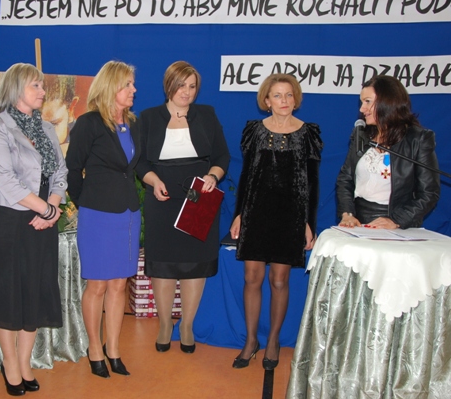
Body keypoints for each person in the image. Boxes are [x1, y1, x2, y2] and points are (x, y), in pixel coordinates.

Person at [0, 63, 67, 395]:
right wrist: (46, 209)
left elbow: (60, 173)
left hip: (42, 220)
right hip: (9, 220)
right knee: (7, 295)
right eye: (35, 86)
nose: (43, 91)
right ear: (16, 90)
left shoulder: (45, 128)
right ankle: (10, 364)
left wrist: (52, 208)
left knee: (34, 292)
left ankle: (26, 362)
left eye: (42, 86)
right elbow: (6, 181)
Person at [229, 73, 322, 370]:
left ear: (296, 99)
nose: (284, 100)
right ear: (266, 101)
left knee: (279, 280)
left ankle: (273, 341)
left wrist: (309, 223)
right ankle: (250, 341)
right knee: (251, 278)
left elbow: (313, 184)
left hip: (290, 216)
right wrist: (239, 215)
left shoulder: (308, 133)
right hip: (256, 212)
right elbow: (246, 176)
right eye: (278, 95)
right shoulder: (254, 131)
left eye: (289, 95)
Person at [136, 61, 230, 354]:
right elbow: (139, 162)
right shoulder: (148, 117)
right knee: (163, 265)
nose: (186, 92)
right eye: (181, 86)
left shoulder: (207, 115)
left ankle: (187, 325)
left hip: (199, 198)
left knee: (194, 265)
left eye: (192, 86)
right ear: (169, 86)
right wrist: (153, 181)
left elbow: (222, 157)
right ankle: (165, 324)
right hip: (162, 198)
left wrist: (213, 176)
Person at [66, 60, 141, 378]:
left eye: (133, 84)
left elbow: (136, 167)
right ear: (111, 87)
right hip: (97, 214)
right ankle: (94, 348)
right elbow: (72, 169)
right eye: (128, 84)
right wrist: (85, 203)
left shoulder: (133, 124)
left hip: (128, 214)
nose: (134, 89)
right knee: (97, 285)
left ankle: (114, 349)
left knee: (119, 284)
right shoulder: (88, 123)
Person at [336, 75, 440, 229]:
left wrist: (395, 221)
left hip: (398, 224)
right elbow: (345, 179)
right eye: (362, 102)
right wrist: (347, 214)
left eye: (367, 102)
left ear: (387, 102)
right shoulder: (361, 135)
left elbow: (429, 193)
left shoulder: (418, 139)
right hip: (358, 222)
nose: (362, 109)